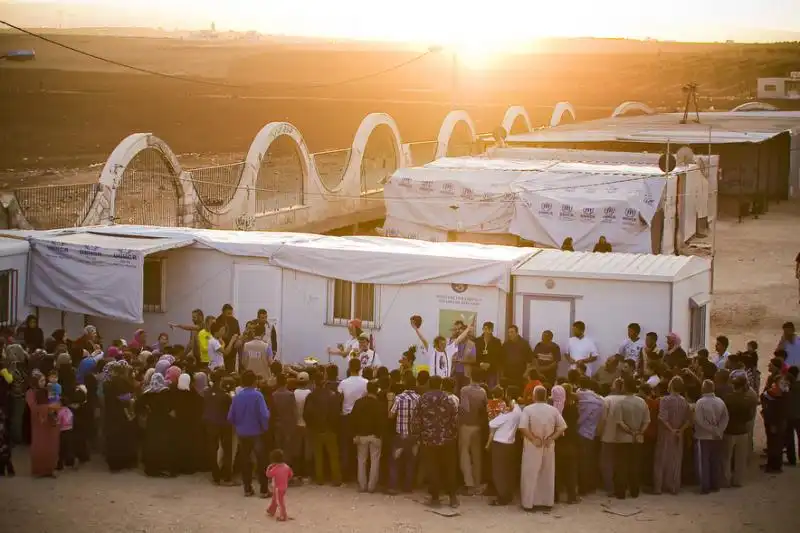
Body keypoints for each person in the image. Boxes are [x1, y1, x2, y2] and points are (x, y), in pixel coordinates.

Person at [413, 375, 460, 509]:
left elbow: (416, 420)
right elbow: (455, 418)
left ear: (428, 384)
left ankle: (435, 499)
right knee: (449, 468)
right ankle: (453, 498)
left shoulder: (422, 399)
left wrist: (418, 435)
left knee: (432, 468)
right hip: (447, 439)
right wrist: (454, 434)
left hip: (429, 440)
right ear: (440, 385)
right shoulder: (448, 399)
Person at [519, 385, 567, 512]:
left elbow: (522, 427)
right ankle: (546, 502)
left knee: (530, 474)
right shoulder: (553, 410)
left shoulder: (528, 410)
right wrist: (552, 438)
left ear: (534, 396)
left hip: (532, 446)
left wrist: (533, 438)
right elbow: (562, 427)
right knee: (547, 473)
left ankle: (529, 503)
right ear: (546, 396)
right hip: (548, 446)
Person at [228, 370, 271, 497]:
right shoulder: (258, 396)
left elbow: (230, 417)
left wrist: (239, 425)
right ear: (254, 381)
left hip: (242, 433)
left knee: (245, 460)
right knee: (261, 460)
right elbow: (264, 415)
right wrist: (265, 427)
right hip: (257, 432)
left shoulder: (237, 397)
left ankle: (247, 488)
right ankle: (263, 489)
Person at [610, 378, 650, 499]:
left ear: (624, 388)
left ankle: (621, 492)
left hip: (623, 438)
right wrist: (639, 432)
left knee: (621, 465)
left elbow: (619, 421)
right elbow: (647, 421)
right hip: (637, 438)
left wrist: (630, 431)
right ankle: (634, 491)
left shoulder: (620, 403)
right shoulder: (642, 402)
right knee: (635, 465)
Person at [653, 376, 692, 494]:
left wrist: (671, 430)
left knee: (661, 460)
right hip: (679, 434)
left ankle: (658, 487)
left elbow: (662, 418)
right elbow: (688, 420)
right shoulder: (684, 401)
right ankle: (674, 486)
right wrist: (680, 430)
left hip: (666, 433)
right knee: (675, 460)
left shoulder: (664, 400)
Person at [303, 371, 342, 486]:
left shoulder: (311, 396)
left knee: (318, 456)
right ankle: (336, 479)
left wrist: (311, 426)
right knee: (333, 456)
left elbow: (306, 414)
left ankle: (320, 478)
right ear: (324, 382)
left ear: (314, 382)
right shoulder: (332, 395)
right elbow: (336, 413)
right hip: (330, 429)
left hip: (316, 430)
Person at [722, 374, 759, 487]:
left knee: (726, 457)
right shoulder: (748, 399)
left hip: (729, 430)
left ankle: (726, 479)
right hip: (742, 431)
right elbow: (750, 416)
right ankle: (738, 481)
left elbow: (724, 414)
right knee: (740, 459)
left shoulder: (728, 398)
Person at [487, 385, 521, 506]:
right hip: (510, 441)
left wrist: (502, 413)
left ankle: (502, 496)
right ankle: (508, 494)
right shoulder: (518, 410)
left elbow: (492, 423)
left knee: (499, 471)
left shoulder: (510, 412)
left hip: (500, 442)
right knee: (508, 470)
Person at [694, 380, 729, 494]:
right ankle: (715, 484)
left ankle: (705, 486)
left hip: (704, 436)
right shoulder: (720, 402)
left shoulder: (700, 402)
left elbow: (699, 420)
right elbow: (725, 418)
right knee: (715, 460)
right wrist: (719, 430)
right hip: (717, 436)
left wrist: (711, 429)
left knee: (704, 462)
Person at [351, 380, 386, 493]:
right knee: (375, 461)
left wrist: (355, 434)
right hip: (375, 436)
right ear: (376, 390)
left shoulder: (358, 402)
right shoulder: (380, 404)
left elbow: (353, 419)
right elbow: (382, 422)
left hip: (361, 435)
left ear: (367, 389)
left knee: (361, 460)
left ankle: (362, 485)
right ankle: (372, 486)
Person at [388, 374, 421, 494]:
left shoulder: (399, 398)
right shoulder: (419, 398)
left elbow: (391, 415)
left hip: (400, 434)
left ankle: (393, 486)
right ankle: (408, 486)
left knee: (395, 461)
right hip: (413, 435)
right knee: (411, 461)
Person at [459, 368, 488, 495]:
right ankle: (477, 483)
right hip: (478, 426)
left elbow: (465, 408)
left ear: (470, 376)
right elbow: (484, 408)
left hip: (466, 425)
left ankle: (469, 484)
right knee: (477, 456)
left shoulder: (464, 390)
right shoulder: (483, 392)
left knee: (464, 454)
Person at [338, 358, 367, 481]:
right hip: (361, 418)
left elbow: (339, 398)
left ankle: (346, 475)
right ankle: (359, 474)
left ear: (349, 368)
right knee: (361, 448)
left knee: (345, 446)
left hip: (346, 417)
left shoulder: (343, 383)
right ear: (360, 368)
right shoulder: (366, 382)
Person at [203, 369, 234, 485]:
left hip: (210, 423)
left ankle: (215, 476)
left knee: (212, 448)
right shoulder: (225, 396)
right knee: (227, 449)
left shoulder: (206, 392)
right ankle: (227, 476)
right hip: (223, 424)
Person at [26, 370, 59, 477]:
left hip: (50, 421)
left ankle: (50, 469)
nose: (43, 382)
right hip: (39, 422)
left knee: (51, 445)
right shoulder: (30, 392)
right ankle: (39, 470)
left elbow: (55, 400)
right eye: (41, 380)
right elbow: (33, 407)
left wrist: (55, 407)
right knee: (40, 443)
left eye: (44, 380)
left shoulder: (49, 389)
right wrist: (48, 408)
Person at [553, 384, 580, 504]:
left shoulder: (554, 408)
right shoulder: (573, 408)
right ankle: (572, 496)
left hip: (557, 441)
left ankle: (555, 496)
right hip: (571, 441)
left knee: (556, 470)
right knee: (570, 470)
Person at [293, 372, 312, 483]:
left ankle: (296, 473)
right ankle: (306, 475)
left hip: (297, 424)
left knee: (297, 450)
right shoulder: (309, 393)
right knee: (307, 451)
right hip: (307, 425)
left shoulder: (294, 393)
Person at [266, 449, 293, 521]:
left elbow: (268, 475)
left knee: (280, 501)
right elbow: (291, 475)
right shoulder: (286, 467)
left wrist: (269, 468)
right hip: (284, 487)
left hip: (277, 488)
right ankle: (271, 510)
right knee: (275, 499)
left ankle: (283, 515)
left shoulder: (275, 469)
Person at [476, 322, 503, 389]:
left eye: (488, 329)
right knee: (480, 389)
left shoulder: (496, 342)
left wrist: (489, 364)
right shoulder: (477, 340)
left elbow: (498, 356)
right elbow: (475, 354)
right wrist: (480, 363)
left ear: (492, 330)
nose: (486, 331)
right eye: (484, 329)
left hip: (492, 369)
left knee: (491, 388)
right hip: (480, 369)